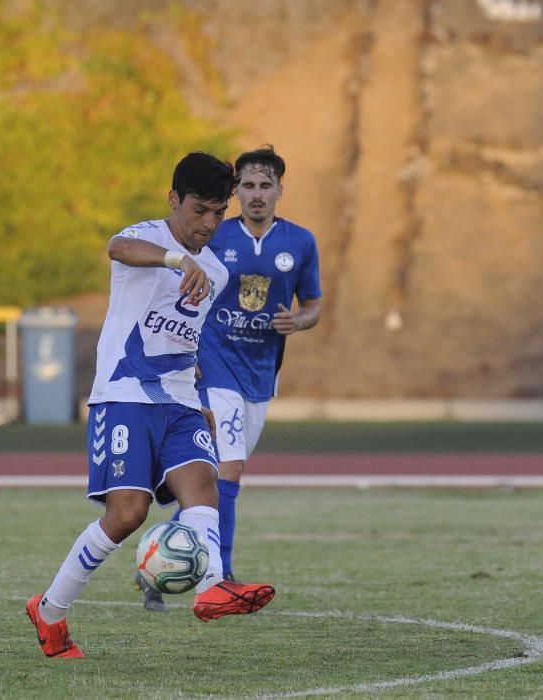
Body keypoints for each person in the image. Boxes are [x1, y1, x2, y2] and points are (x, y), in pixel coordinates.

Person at [26, 152, 276, 659]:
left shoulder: (216, 274)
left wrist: (200, 395)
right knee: (127, 515)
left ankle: (211, 586)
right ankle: (49, 611)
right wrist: (175, 259)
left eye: (218, 213)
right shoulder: (149, 238)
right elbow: (117, 247)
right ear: (173, 200)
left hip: (180, 400)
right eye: (200, 210)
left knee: (203, 484)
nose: (208, 223)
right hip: (124, 396)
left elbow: (188, 338)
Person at [137, 145, 321, 612]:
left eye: (265, 185)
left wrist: (297, 322)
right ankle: (223, 573)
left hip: (261, 373)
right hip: (215, 367)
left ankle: (162, 559)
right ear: (235, 191)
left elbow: (313, 306)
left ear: (280, 190)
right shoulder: (215, 237)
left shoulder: (300, 242)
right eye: (247, 186)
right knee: (228, 469)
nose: (256, 194)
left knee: (220, 480)